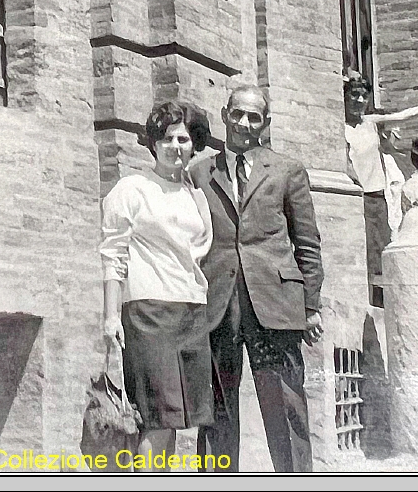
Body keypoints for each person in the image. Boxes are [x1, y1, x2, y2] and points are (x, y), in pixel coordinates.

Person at [192, 85, 323, 472]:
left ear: (265, 123)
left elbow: (308, 243)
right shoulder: (200, 170)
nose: (245, 123)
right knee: (217, 409)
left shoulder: (287, 170)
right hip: (219, 304)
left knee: (285, 407)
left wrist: (311, 306)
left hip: (275, 304)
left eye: (254, 116)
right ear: (224, 114)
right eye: (238, 114)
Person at [99, 99, 215, 470]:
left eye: (183, 139)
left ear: (194, 144)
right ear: (153, 143)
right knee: (156, 418)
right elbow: (113, 254)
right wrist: (110, 316)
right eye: (166, 139)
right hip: (149, 312)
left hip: (192, 311)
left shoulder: (195, 194)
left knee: (179, 421)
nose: (175, 147)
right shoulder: (132, 189)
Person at [344, 73, 418, 299]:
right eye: (354, 95)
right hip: (353, 195)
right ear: (345, 96)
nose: (358, 100)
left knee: (380, 245)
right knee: (360, 248)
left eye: (363, 96)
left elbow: (402, 116)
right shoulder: (340, 127)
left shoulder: (372, 123)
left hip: (375, 197)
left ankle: (381, 299)